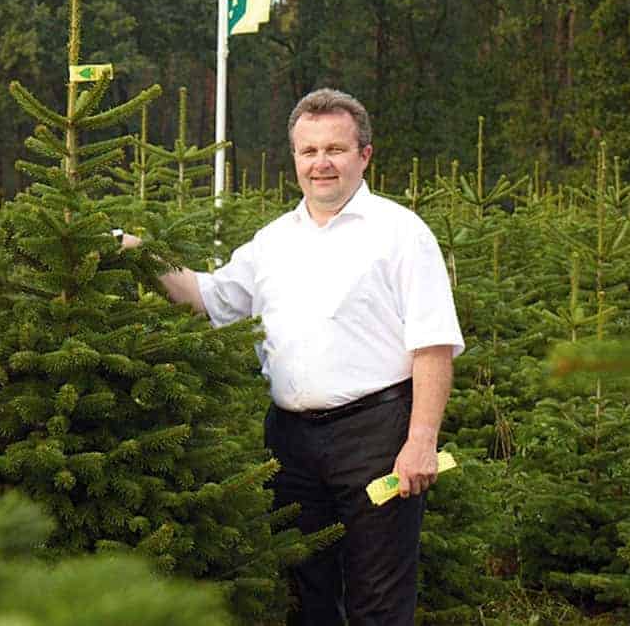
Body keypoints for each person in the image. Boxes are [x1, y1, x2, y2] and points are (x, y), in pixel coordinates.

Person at [122, 88, 463, 625]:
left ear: (364, 155)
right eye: (309, 152)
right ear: (295, 159)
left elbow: (434, 346)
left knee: (379, 597)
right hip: (292, 443)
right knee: (309, 593)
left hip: (375, 438)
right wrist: (137, 253)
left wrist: (420, 441)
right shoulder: (272, 242)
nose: (321, 164)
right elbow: (206, 297)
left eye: (335, 149)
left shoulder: (400, 234)